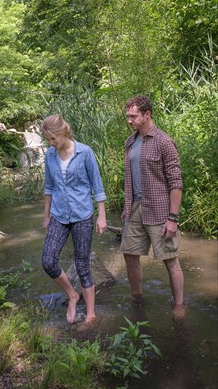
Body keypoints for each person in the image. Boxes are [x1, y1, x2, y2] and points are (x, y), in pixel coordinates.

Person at [41, 115, 107, 324]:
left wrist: (102, 216)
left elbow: (97, 185)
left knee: (82, 265)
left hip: (82, 215)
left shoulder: (85, 152)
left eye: (53, 139)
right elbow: (49, 187)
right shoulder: (50, 156)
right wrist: (46, 215)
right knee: (48, 261)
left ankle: (90, 315)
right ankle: (72, 294)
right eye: (48, 140)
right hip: (59, 216)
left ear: (63, 132)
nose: (51, 144)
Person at [120, 95, 184, 309]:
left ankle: (179, 306)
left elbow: (176, 182)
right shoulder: (130, 142)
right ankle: (137, 300)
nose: (130, 121)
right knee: (129, 255)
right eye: (128, 116)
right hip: (135, 208)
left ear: (147, 114)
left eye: (134, 116)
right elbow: (130, 178)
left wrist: (172, 218)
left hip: (159, 211)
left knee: (170, 260)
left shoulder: (164, 141)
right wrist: (126, 207)